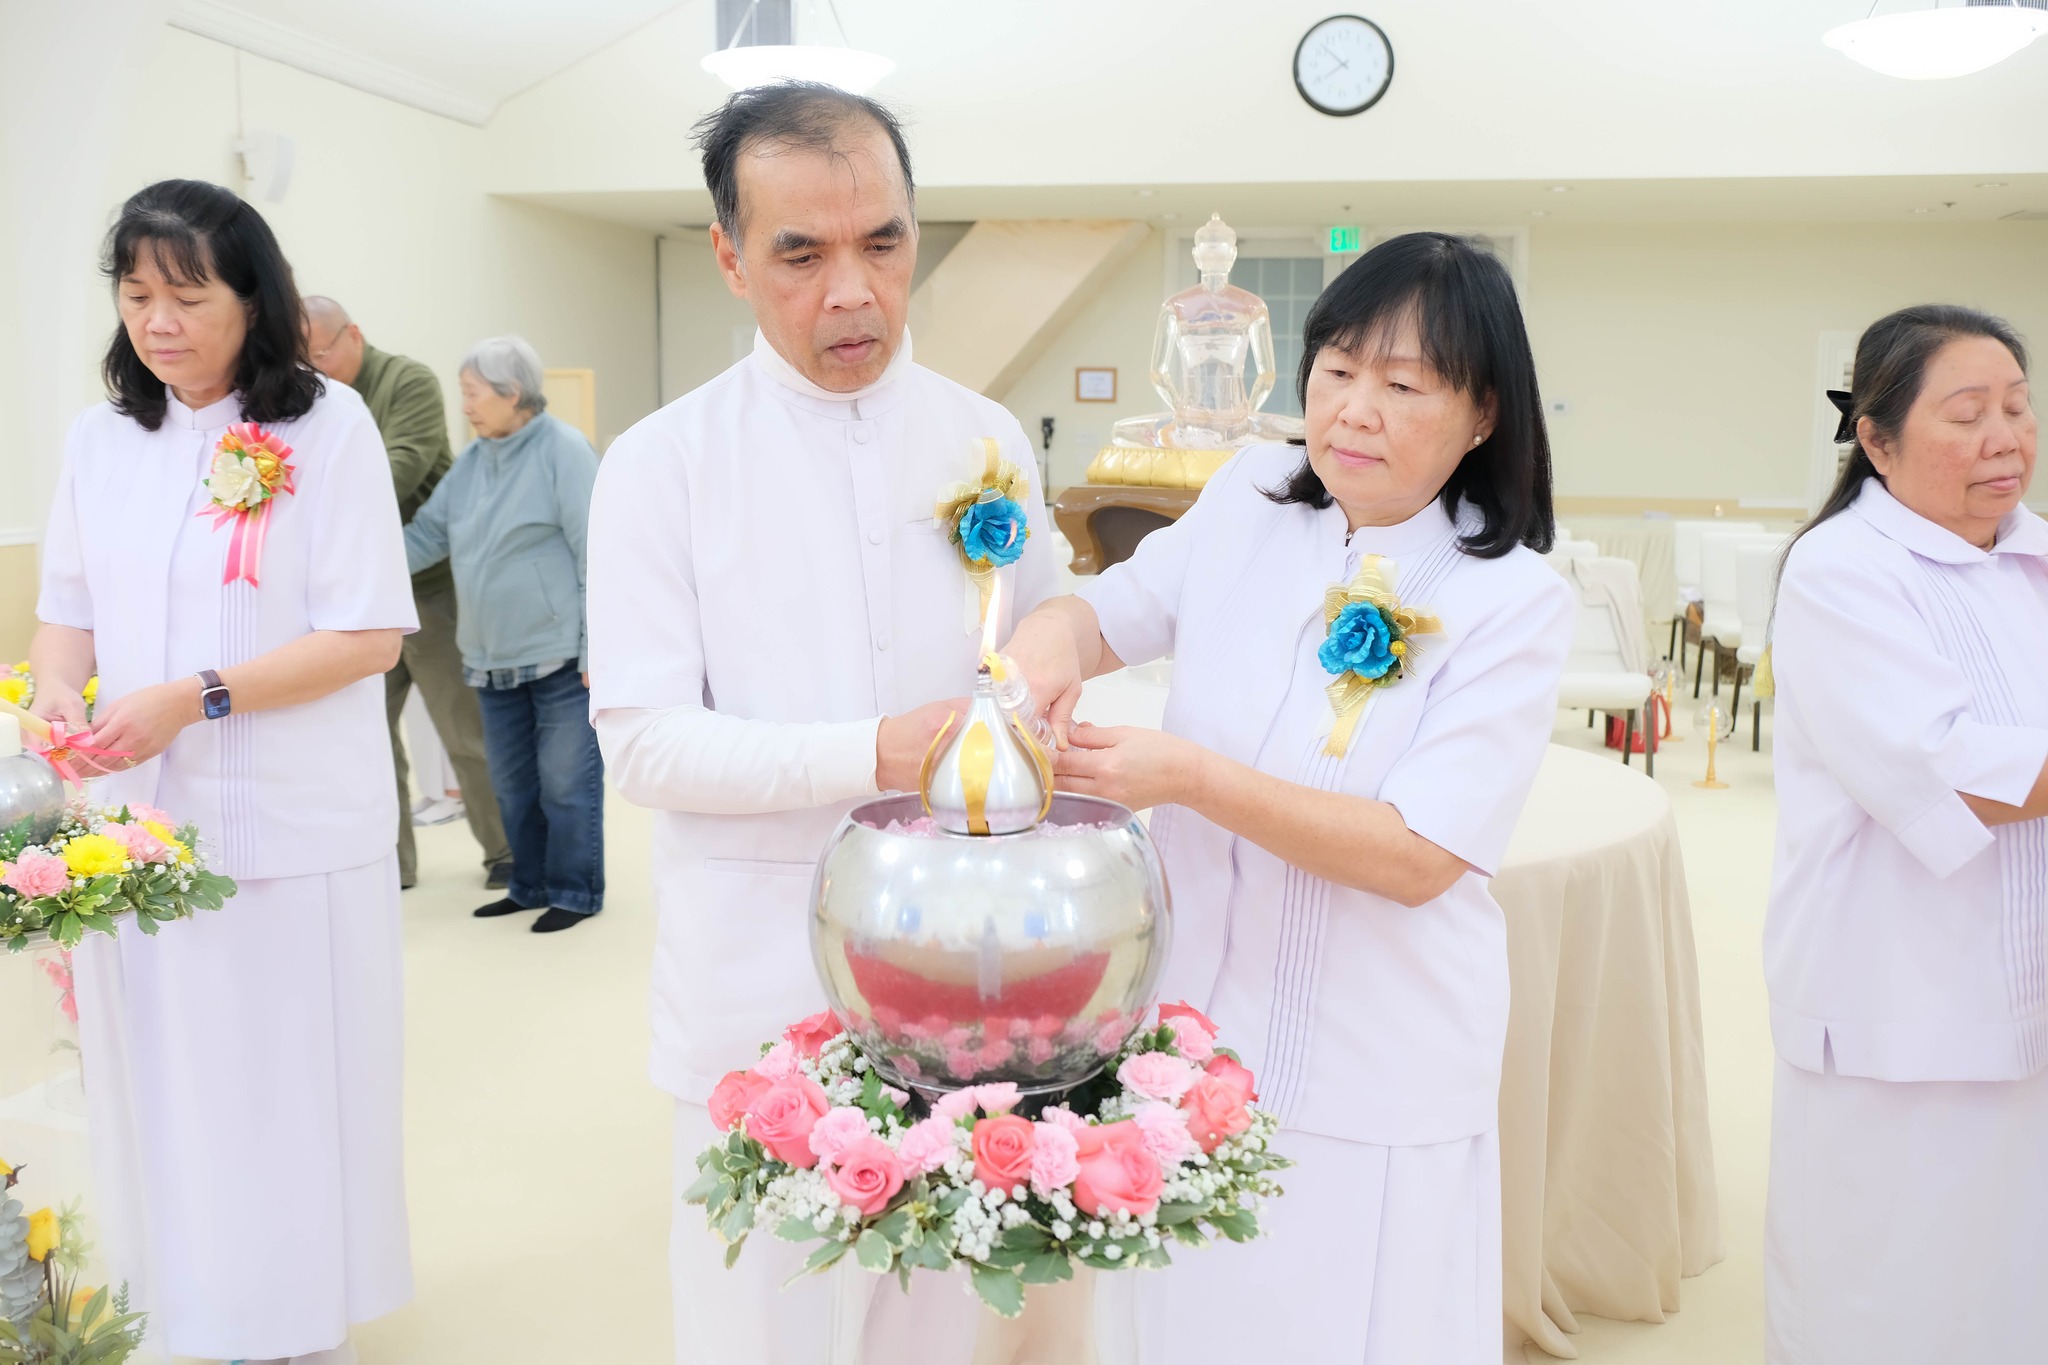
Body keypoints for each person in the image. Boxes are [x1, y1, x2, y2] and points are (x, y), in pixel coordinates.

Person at [1002, 232, 1571, 1364]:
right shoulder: (1248, 495)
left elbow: (1417, 857)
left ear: (1483, 414)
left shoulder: (1512, 601)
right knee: (1189, 1316)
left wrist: (1191, 779)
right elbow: (1108, 613)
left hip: (1381, 1047)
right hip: (1200, 1021)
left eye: (1401, 384)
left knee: (1348, 1322)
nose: (1353, 409)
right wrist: (1039, 651)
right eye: (1336, 369)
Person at [584, 82, 1056, 1363]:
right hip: (757, 982)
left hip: (968, 985)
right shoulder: (662, 465)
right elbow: (644, 742)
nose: (851, 291)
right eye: (801, 253)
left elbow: (1047, 660)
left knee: (945, 1326)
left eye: (884, 244)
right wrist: (870, 752)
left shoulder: (987, 438)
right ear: (732, 258)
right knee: (763, 1328)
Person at [30, 178, 415, 1364]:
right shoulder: (103, 441)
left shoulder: (328, 429)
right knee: (169, 1087)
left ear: (256, 300)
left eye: (188, 295)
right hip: (142, 834)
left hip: (295, 827)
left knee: (283, 1088)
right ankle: (191, 1303)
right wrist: (56, 690)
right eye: (136, 295)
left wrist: (193, 698)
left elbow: (369, 636)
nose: (159, 321)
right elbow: (66, 610)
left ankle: (294, 1321)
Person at [1763, 305, 2046, 1365]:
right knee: (1885, 1299)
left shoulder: (2035, 558)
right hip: (1898, 1003)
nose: (2003, 439)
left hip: (2023, 994)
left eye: (2016, 409)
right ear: (1874, 441)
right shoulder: (1841, 571)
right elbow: (1944, 767)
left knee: (2011, 1292)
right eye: (1965, 414)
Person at [303, 294, 513, 892]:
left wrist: (311, 511)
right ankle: (391, 862)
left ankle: (505, 853)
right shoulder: (311, 395)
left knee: (461, 731)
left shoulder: (406, 381)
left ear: (353, 336)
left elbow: (400, 468)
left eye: (319, 353)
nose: (312, 368)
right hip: (351, 597)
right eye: (302, 358)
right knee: (365, 732)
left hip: (429, 587)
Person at [404, 336, 602, 934]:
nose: (464, 405)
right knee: (510, 785)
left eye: (471, 393)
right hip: (487, 657)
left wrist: (598, 647)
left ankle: (573, 891)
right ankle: (529, 883)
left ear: (511, 392)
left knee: (566, 783)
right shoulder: (473, 458)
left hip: (559, 655)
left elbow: (598, 552)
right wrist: (358, 573)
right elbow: (426, 535)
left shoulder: (563, 451)